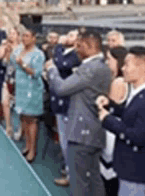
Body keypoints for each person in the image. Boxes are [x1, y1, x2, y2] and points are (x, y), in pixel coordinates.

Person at [47, 29, 111, 196]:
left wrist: (52, 70)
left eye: (80, 45)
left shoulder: (90, 68)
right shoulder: (100, 67)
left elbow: (61, 88)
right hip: (92, 132)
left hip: (82, 134)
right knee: (94, 180)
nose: (76, 49)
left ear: (90, 46)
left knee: (80, 185)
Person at [97, 46, 145, 196]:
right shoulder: (139, 93)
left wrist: (107, 119)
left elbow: (138, 137)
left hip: (136, 173)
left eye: (127, 64)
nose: (123, 68)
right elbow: (129, 115)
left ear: (140, 68)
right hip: (129, 168)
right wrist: (110, 105)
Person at [49, 29, 81, 187]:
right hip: (59, 101)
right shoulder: (64, 51)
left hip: (68, 103)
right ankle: (67, 169)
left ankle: (71, 175)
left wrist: (58, 47)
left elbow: (60, 63)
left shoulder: (76, 55)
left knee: (68, 141)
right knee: (63, 140)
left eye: (71, 35)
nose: (66, 37)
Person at [11, 26, 45, 163]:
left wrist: (23, 64)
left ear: (33, 38)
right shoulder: (19, 50)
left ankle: (33, 150)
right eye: (23, 36)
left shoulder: (39, 54)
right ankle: (27, 145)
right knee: (23, 117)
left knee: (32, 120)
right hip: (21, 88)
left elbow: (36, 73)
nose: (24, 38)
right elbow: (13, 63)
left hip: (32, 90)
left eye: (27, 36)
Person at [99, 46, 128, 196]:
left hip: (111, 132)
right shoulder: (123, 80)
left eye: (109, 59)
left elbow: (109, 107)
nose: (107, 62)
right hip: (116, 130)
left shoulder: (118, 82)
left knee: (108, 173)